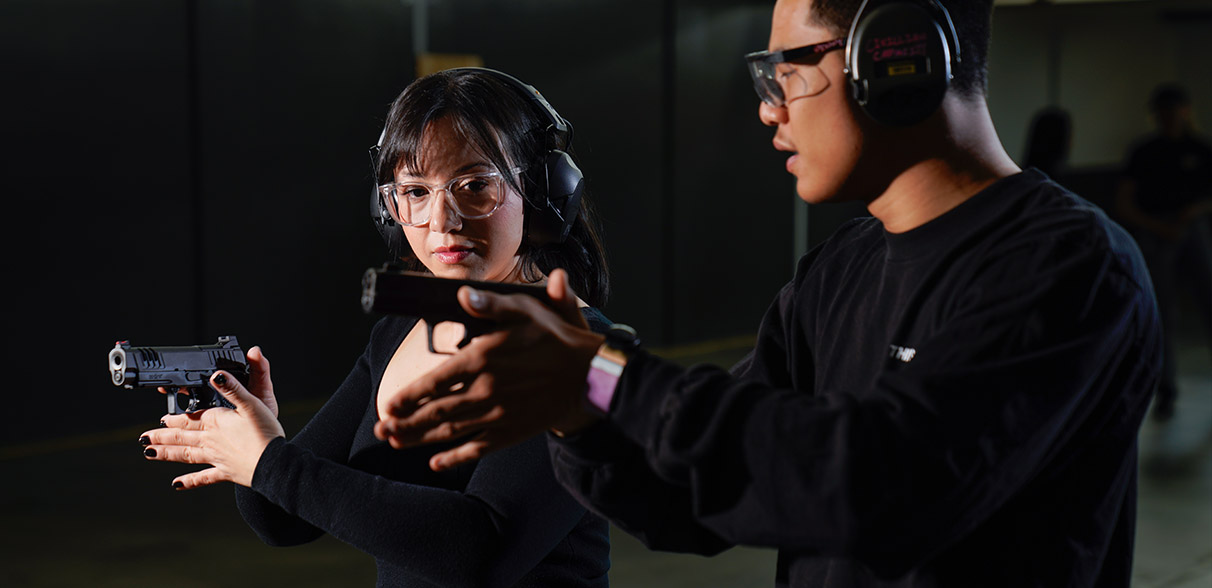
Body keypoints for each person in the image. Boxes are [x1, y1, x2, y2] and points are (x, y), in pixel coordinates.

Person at [375, 1, 1163, 587]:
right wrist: (580, 416)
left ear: (900, 57)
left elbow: (878, 483)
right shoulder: (838, 271)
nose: (769, 106)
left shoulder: (1067, 266)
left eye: (790, 70)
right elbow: (693, 496)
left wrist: (604, 373)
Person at [139, 67, 613, 587]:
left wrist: (270, 464)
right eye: (414, 192)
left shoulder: (584, 354)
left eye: (475, 185)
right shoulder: (401, 333)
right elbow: (283, 519)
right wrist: (257, 436)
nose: (442, 220)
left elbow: (481, 549)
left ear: (543, 189)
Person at [1114, 82, 1212, 422]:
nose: (1169, 117)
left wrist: (1192, 213)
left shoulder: (1200, 150)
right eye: (1163, 111)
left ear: (1185, 112)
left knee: (1207, 301)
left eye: (1175, 110)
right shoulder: (1145, 153)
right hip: (1157, 234)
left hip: (1191, 230)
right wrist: (1157, 227)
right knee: (1162, 313)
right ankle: (1165, 390)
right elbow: (1124, 203)